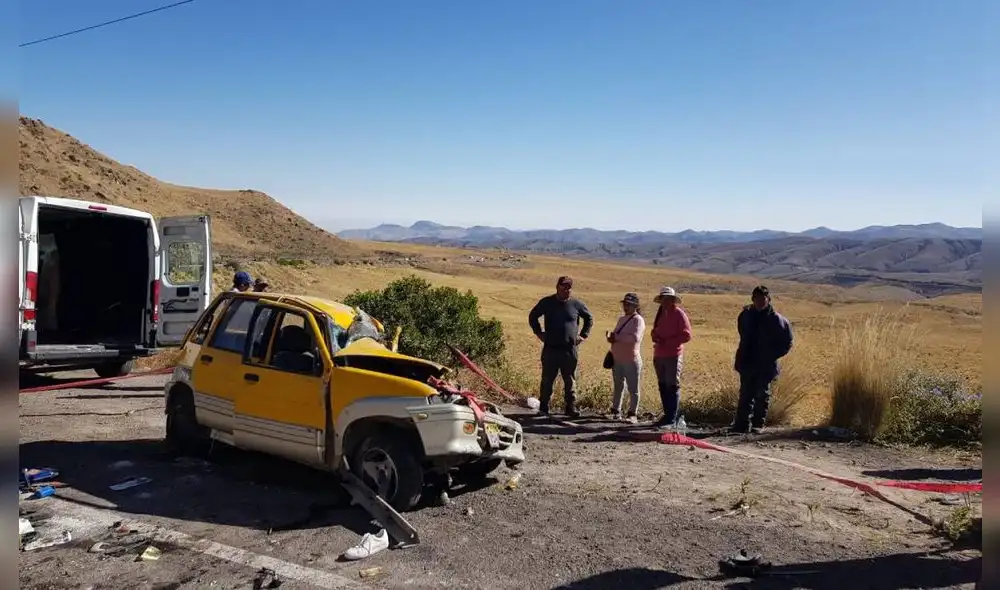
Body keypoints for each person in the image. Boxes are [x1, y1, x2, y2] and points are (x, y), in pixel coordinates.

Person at [528, 276, 594, 418]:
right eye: (564, 286)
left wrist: (583, 335)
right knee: (547, 379)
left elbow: (589, 318)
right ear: (557, 286)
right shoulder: (547, 302)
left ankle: (570, 408)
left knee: (570, 380)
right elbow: (533, 316)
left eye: (569, 287)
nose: (567, 289)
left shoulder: (576, 304)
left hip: (569, 350)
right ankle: (544, 407)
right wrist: (538, 332)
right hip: (551, 348)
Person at [731, 285, 793, 434]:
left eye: (762, 299)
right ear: (752, 299)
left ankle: (758, 424)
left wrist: (771, 355)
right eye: (757, 298)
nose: (759, 301)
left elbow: (787, 341)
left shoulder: (777, 320)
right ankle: (741, 424)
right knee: (745, 393)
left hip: (765, 364)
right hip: (747, 360)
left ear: (768, 299)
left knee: (762, 394)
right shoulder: (745, 315)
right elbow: (742, 332)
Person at [650, 286, 692, 429]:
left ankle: (672, 418)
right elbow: (655, 331)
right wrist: (655, 336)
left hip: (673, 355)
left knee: (672, 386)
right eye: (663, 299)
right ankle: (667, 415)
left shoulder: (679, 314)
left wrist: (668, 341)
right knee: (663, 386)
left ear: (673, 300)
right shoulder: (661, 314)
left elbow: (687, 335)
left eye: (668, 298)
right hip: (659, 354)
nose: (665, 301)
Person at [606, 292, 645, 424]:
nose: (626, 307)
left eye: (629, 304)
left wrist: (616, 337)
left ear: (635, 306)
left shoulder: (638, 320)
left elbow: (635, 338)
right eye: (625, 304)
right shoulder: (621, 319)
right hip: (618, 358)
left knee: (633, 388)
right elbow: (618, 335)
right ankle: (615, 411)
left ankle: (632, 413)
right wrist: (611, 337)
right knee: (618, 386)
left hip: (631, 359)